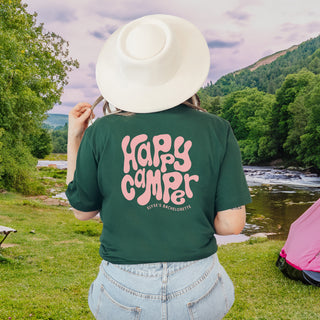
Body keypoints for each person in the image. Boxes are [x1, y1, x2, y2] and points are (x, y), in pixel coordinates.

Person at [66, 14, 251, 320]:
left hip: (122, 289)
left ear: (125, 75)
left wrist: (75, 137)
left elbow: (81, 211)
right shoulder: (217, 129)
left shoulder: (102, 131)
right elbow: (231, 225)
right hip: (198, 288)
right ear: (182, 70)